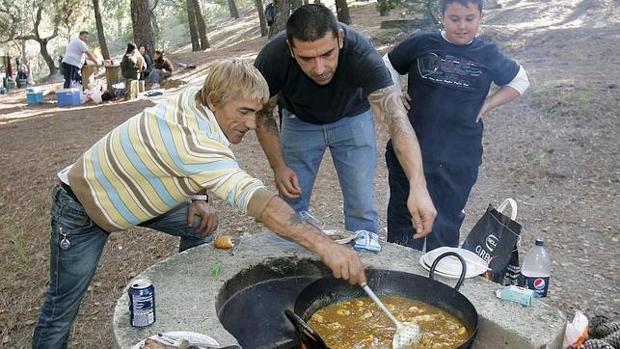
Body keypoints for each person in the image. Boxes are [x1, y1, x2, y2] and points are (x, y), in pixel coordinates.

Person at [32, 60, 365, 349]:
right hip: (84, 208)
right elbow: (258, 201)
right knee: (62, 306)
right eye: (244, 112)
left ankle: (188, 301)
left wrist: (200, 197)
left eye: (257, 112)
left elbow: (185, 159)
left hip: (139, 194)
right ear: (215, 101)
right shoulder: (197, 143)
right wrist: (325, 246)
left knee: (201, 221)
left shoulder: (197, 97)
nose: (251, 124)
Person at [254, 4, 436, 241]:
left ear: (340, 39)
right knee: (291, 200)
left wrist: (418, 185)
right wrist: (278, 166)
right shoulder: (273, 56)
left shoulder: (360, 52)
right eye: (307, 58)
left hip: (353, 118)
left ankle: (364, 265)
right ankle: (289, 265)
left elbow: (397, 120)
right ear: (290, 48)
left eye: (327, 54)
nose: (319, 68)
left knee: (361, 203)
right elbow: (262, 113)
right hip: (298, 121)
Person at [383, 0, 530, 251]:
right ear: (442, 16)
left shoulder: (487, 53)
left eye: (469, 18)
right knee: (403, 221)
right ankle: (399, 277)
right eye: (454, 18)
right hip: (411, 150)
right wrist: (395, 95)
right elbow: (387, 62)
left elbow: (520, 80)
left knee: (445, 224)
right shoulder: (423, 43)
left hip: (460, 157)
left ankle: (437, 281)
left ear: (480, 17)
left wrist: (487, 104)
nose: (462, 26)